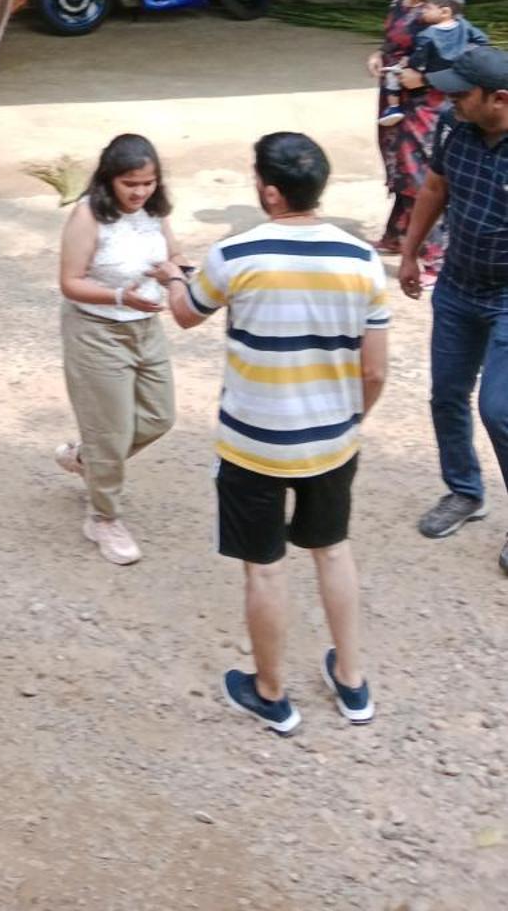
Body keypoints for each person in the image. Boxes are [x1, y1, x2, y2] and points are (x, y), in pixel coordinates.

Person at [154, 132, 390, 734]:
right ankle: (354, 684)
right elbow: (376, 368)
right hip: (332, 440)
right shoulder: (361, 260)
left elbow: (185, 315)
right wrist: (349, 417)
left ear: (268, 191)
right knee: (332, 550)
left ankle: (271, 691)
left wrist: (172, 277)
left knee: (265, 567)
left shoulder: (237, 254)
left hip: (253, 442)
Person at [399, 44, 508, 576]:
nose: (451, 99)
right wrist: (410, 252)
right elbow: (436, 187)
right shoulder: (454, 127)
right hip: (459, 287)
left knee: (499, 408)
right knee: (446, 394)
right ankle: (464, 491)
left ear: (500, 99)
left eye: (463, 93)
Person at [55, 133, 177, 566]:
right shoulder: (88, 215)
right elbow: (70, 281)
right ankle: (103, 518)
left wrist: (174, 273)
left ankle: (88, 459)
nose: (140, 192)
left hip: (146, 327)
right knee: (111, 430)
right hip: (96, 331)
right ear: (109, 180)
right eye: (131, 184)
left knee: (160, 415)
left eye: (148, 182)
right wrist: (121, 298)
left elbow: (173, 256)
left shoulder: (154, 213)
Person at [369, 0, 451, 253]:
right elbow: (392, 42)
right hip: (391, 96)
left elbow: (453, 59)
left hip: (421, 103)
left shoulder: (435, 14)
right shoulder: (399, 3)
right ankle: (396, 233)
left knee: (416, 170)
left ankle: (433, 253)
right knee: (397, 166)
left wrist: (423, 78)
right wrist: (378, 54)